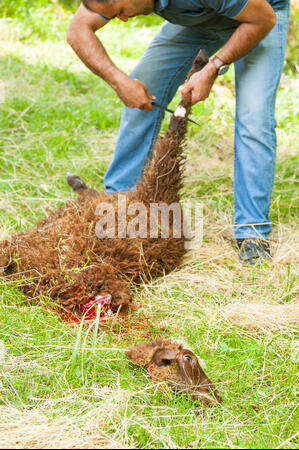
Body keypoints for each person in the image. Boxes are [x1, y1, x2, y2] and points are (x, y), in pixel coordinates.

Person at [67, 0, 290, 265]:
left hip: (261, 14)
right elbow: (78, 31)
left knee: (254, 118)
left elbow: (262, 18)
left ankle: (253, 232)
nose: (123, 20)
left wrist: (212, 67)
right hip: (203, 19)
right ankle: (119, 204)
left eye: (119, 12)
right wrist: (120, 81)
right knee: (143, 85)